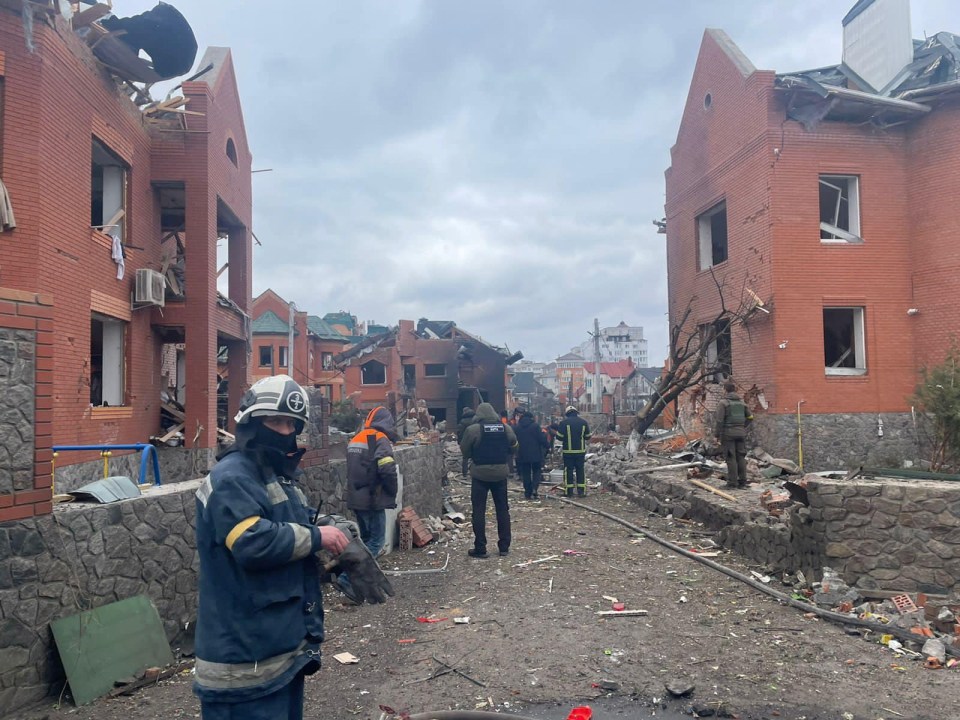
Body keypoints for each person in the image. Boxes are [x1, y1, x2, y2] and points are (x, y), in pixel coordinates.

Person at [193, 374, 392, 720]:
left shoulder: (274, 476)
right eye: (275, 421)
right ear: (252, 421)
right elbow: (251, 542)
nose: (285, 432)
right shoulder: (233, 478)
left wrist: (324, 531)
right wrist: (317, 538)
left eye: (291, 424)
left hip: (278, 656)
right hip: (243, 666)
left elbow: (288, 526)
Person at [460, 402, 517, 558]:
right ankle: (504, 547)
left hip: (480, 475)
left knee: (479, 512)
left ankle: (480, 548)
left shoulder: (473, 430)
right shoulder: (506, 428)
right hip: (500, 474)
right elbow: (514, 445)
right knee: (503, 510)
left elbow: (464, 451)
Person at [346, 406, 399, 559]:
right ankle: (346, 578)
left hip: (356, 498)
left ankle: (364, 579)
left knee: (366, 541)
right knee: (377, 542)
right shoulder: (379, 438)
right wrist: (391, 491)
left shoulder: (356, 438)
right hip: (373, 499)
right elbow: (387, 469)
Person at [714, 380, 754, 488]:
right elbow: (750, 417)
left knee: (731, 457)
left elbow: (719, 421)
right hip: (741, 433)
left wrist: (716, 435)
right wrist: (742, 426)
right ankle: (742, 482)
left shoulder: (723, 403)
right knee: (741, 457)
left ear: (725, 390)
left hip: (728, 434)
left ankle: (732, 483)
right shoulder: (742, 403)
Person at [555, 405, 591, 497]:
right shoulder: (583, 422)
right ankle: (581, 491)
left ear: (567, 414)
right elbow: (588, 436)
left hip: (568, 452)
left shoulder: (564, 423)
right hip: (580, 452)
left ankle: (569, 491)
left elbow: (559, 437)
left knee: (568, 471)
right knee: (580, 470)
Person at [515, 410, 550, 499]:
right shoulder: (535, 426)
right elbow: (541, 439)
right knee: (536, 471)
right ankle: (534, 489)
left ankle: (527, 492)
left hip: (522, 454)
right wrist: (548, 446)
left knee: (525, 473)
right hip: (535, 454)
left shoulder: (517, 427)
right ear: (531, 418)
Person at [456, 407, 476, 478]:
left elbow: (459, 432)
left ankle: (464, 473)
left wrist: (459, 441)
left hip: (466, 441)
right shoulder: (475, 420)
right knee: (475, 457)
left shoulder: (463, 421)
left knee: (465, 457)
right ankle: (474, 472)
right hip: (475, 440)